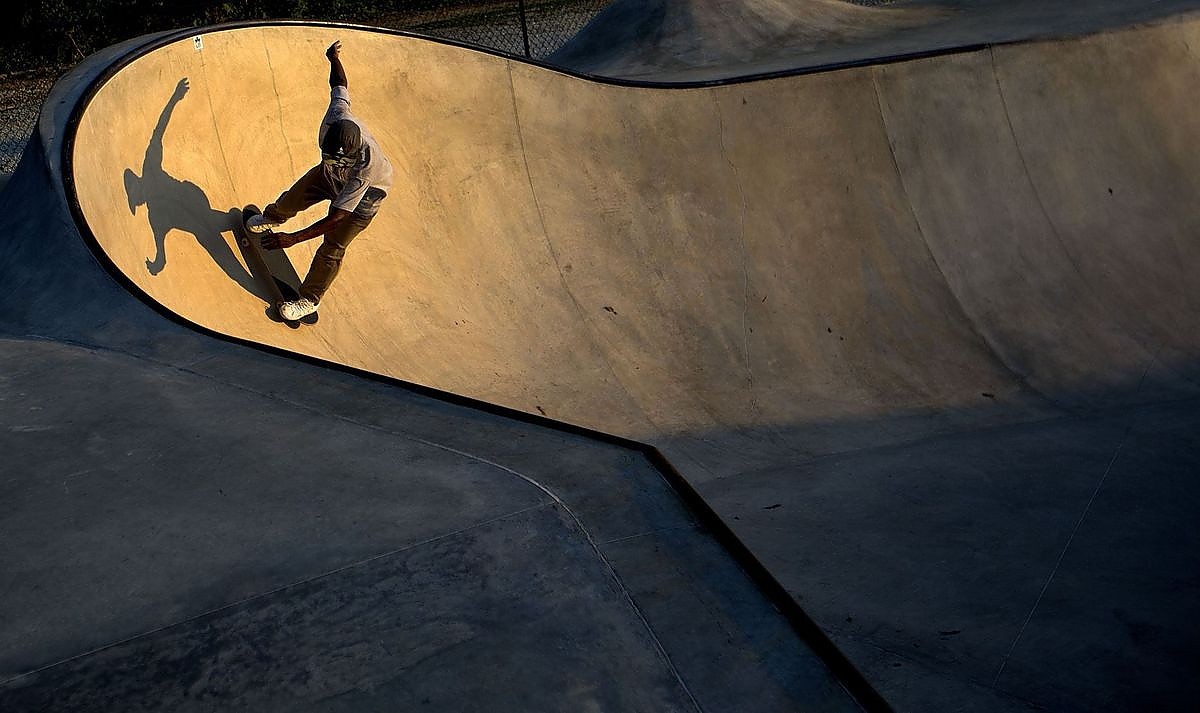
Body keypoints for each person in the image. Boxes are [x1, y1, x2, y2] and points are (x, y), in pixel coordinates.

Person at [247, 40, 393, 321]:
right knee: (297, 193)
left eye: (341, 162)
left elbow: (338, 216)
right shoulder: (337, 115)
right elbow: (339, 84)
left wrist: (295, 239)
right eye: (330, 156)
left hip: (366, 197)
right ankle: (273, 217)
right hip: (333, 179)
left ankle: (310, 299)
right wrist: (332, 57)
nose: (335, 163)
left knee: (333, 246)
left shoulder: (367, 166)